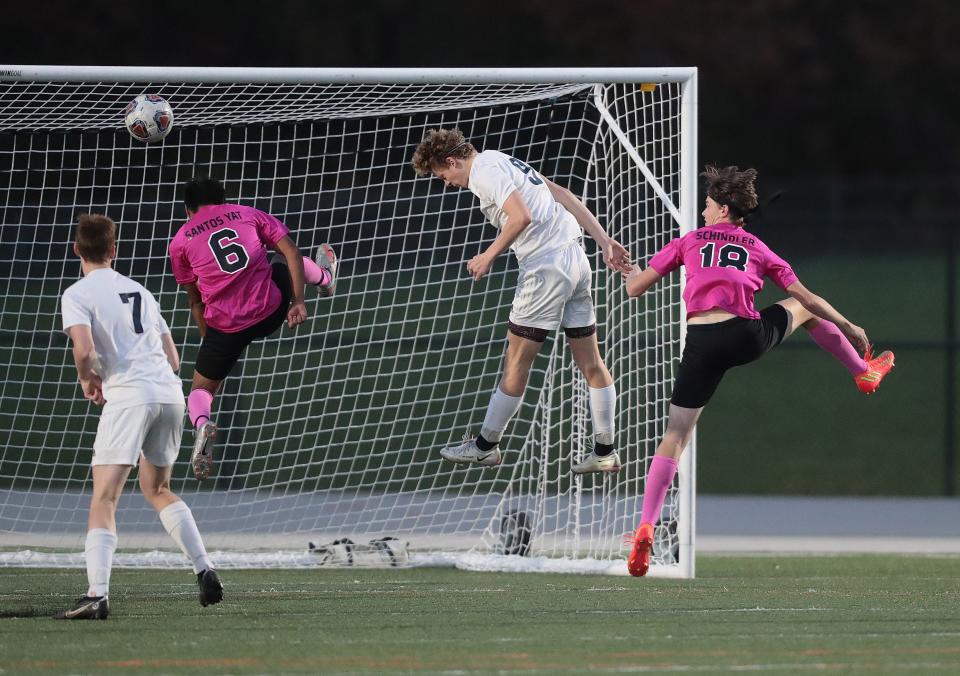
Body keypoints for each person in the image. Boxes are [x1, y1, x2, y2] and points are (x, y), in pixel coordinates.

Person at [622, 165, 895, 577]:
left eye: (708, 204)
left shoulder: (689, 241)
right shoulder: (758, 247)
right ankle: (862, 372)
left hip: (700, 343)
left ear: (723, 208)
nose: (703, 212)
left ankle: (646, 524)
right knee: (800, 308)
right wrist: (848, 324)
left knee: (675, 435)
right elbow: (805, 296)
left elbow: (634, 288)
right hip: (743, 335)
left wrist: (629, 273)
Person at [411, 128, 632, 474]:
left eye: (443, 175)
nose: (446, 183)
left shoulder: (482, 173)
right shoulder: (499, 158)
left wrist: (488, 255)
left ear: (452, 161)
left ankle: (486, 446)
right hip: (576, 258)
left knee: (516, 361)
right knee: (590, 360)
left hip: (545, 268)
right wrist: (604, 240)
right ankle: (605, 451)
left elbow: (521, 217)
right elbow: (561, 193)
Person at [58, 213, 223, 619]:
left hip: (130, 397)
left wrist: (88, 379)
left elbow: (83, 351)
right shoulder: (142, 293)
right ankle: (205, 568)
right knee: (158, 489)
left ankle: (97, 595)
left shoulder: (77, 294)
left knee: (105, 497)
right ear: (114, 250)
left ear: (77, 250)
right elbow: (173, 357)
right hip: (169, 395)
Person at [169, 177, 338, 480]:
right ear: (223, 199)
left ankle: (203, 424)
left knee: (201, 390)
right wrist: (297, 302)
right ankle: (325, 279)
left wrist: (214, 341)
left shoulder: (180, 241)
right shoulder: (247, 213)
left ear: (187, 209)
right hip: (270, 311)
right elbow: (291, 251)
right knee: (281, 262)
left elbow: (194, 301)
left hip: (224, 329)